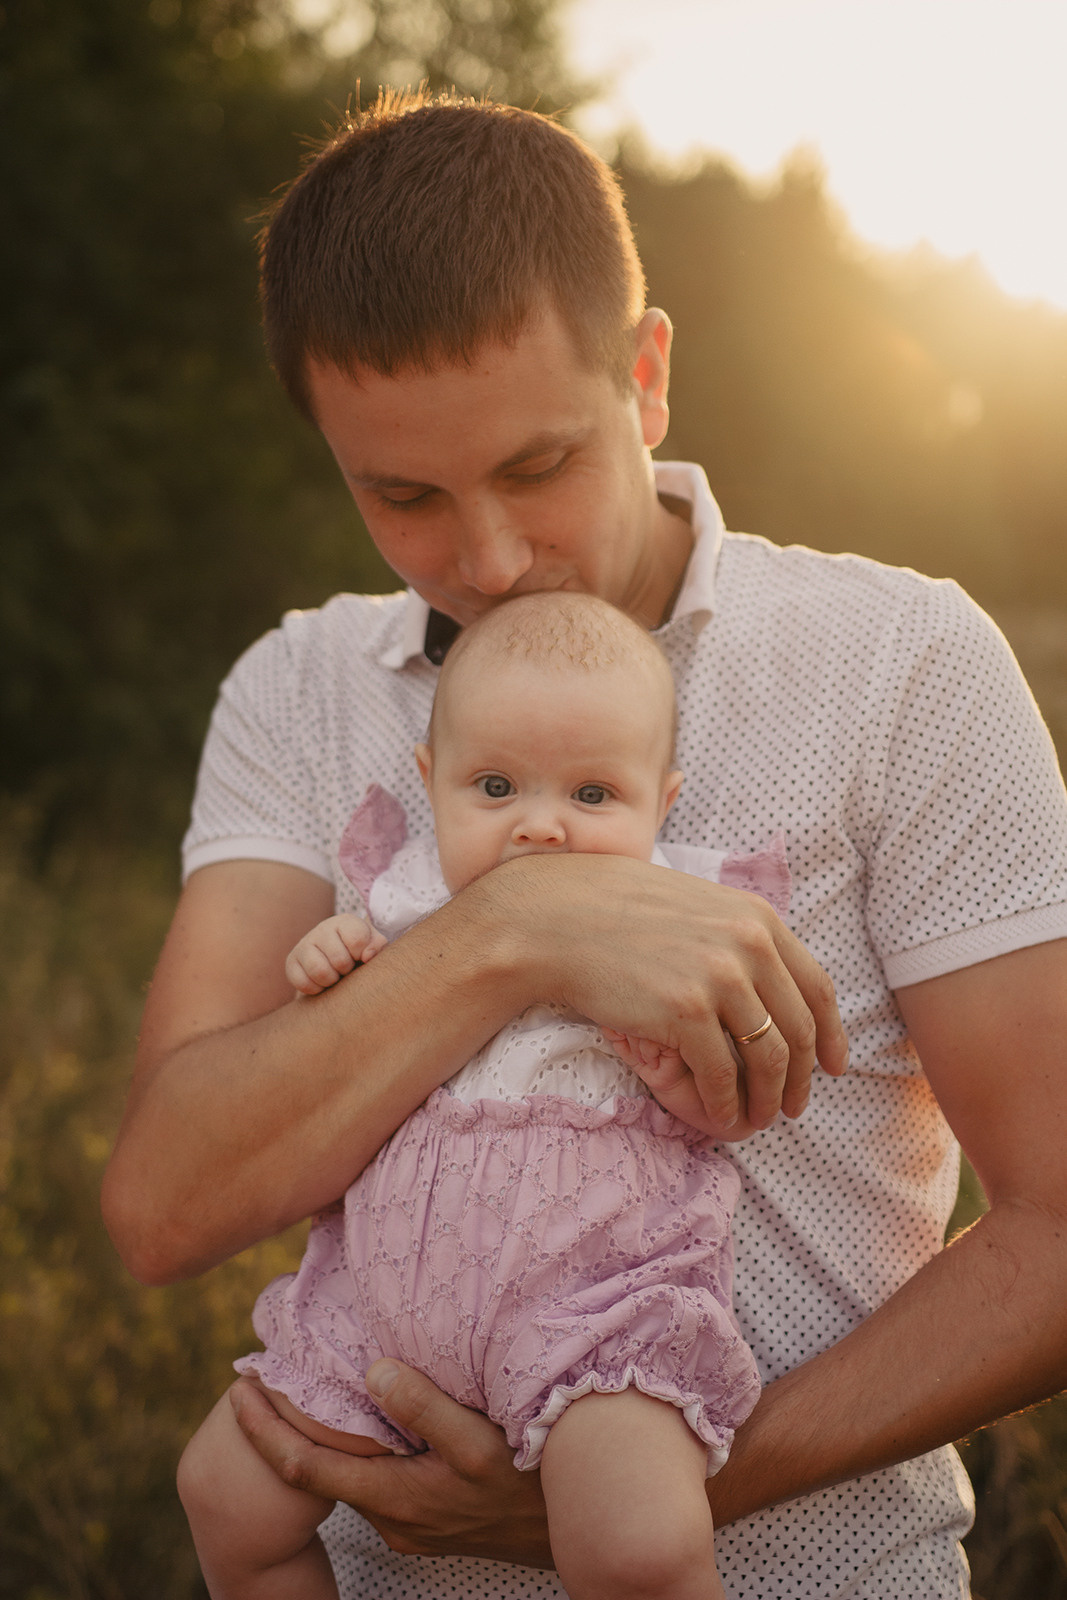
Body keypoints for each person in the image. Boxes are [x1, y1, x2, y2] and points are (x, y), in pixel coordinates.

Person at [101, 91, 1067, 1599]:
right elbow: (165, 1205)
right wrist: (512, 934)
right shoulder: (299, 687)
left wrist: (649, 1488)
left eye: (537, 466)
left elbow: (1058, 1229)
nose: (483, 562)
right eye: (401, 495)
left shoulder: (899, 666)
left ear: (647, 371)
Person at [177, 589, 787, 1600]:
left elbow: (737, 1110)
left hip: (593, 1307)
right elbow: (338, 1055)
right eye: (495, 786)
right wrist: (331, 962)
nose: (539, 828)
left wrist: (682, 1070)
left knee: (635, 1548)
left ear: (660, 800)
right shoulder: (404, 903)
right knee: (222, 1495)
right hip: (375, 1308)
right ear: (432, 783)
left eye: (592, 796)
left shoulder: (685, 920)